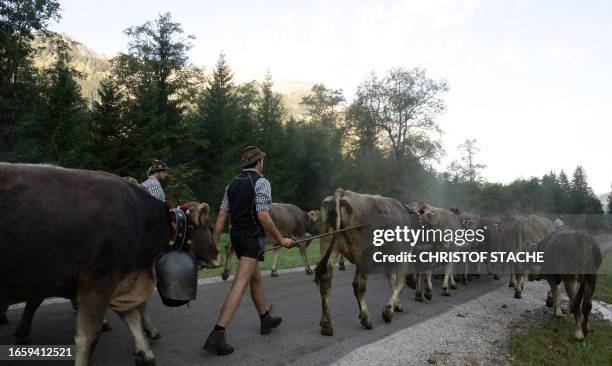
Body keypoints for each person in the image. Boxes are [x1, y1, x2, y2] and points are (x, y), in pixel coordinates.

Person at [204, 146, 293, 355]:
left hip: (236, 237)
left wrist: (214, 245)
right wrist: (281, 239)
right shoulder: (261, 182)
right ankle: (218, 333)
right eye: (262, 160)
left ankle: (265, 319)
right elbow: (262, 215)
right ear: (259, 162)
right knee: (240, 283)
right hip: (252, 238)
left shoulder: (232, 185)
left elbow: (222, 218)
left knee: (255, 279)